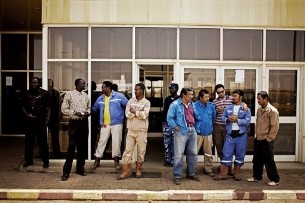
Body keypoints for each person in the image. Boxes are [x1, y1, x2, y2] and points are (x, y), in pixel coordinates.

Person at [167, 87, 201, 185]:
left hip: (192, 130)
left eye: (192, 94)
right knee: (179, 155)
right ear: (183, 95)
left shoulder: (192, 104)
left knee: (193, 153)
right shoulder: (175, 104)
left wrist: (196, 128)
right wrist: (175, 127)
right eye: (189, 94)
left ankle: (191, 173)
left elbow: (197, 117)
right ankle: (177, 175)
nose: (191, 96)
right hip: (181, 131)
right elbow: (169, 117)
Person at [214, 89, 251, 181]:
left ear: (240, 97)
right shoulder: (228, 108)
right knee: (226, 153)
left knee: (240, 154)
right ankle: (223, 174)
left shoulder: (246, 109)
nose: (233, 98)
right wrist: (228, 119)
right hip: (230, 135)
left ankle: (236, 173)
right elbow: (223, 117)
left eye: (235, 96)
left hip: (241, 135)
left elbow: (247, 121)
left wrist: (238, 120)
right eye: (233, 96)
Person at [91, 81, 128, 171]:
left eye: (103, 87)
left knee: (116, 143)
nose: (102, 89)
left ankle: (116, 162)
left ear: (108, 88)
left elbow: (128, 105)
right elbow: (94, 109)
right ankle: (97, 161)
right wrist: (85, 113)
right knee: (101, 142)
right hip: (104, 124)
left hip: (117, 123)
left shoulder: (119, 96)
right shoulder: (101, 98)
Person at [117, 83, 150, 180]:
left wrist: (134, 112)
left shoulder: (146, 102)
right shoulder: (130, 101)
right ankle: (126, 171)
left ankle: (138, 169)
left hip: (141, 130)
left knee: (141, 151)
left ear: (142, 90)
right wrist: (138, 113)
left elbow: (145, 115)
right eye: (135, 90)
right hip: (131, 130)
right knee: (127, 151)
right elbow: (127, 114)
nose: (135, 91)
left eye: (137, 90)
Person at [247, 91, 280, 186]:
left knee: (269, 160)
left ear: (265, 99)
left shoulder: (272, 111)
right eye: (257, 99)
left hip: (266, 139)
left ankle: (275, 179)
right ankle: (257, 177)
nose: (258, 101)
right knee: (257, 159)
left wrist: (269, 139)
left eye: (259, 99)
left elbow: (274, 127)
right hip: (258, 138)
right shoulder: (259, 110)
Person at [60, 78, 90, 181]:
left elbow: (89, 107)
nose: (84, 85)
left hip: (84, 123)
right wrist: (74, 112)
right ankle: (66, 172)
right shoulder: (69, 94)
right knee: (71, 147)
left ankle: (80, 169)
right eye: (83, 84)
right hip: (74, 123)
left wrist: (88, 112)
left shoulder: (86, 95)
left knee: (82, 147)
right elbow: (63, 109)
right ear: (77, 84)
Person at [21, 77, 50, 168]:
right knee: (29, 142)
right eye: (33, 83)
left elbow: (49, 108)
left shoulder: (45, 93)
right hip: (29, 121)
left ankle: (45, 161)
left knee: (42, 142)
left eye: (36, 83)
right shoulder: (26, 93)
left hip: (40, 121)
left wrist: (47, 119)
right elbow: (22, 106)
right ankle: (29, 161)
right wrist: (27, 115)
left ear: (39, 83)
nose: (34, 84)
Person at [212, 84, 234, 174]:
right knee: (219, 146)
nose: (221, 94)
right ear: (216, 93)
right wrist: (216, 111)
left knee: (228, 146)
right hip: (217, 125)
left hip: (228, 125)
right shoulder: (214, 102)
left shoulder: (231, 99)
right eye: (218, 92)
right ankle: (223, 166)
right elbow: (212, 114)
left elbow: (239, 106)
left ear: (225, 90)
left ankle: (229, 167)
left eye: (222, 91)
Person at [194, 89, 216, 177]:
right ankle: (192, 170)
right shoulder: (194, 106)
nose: (208, 98)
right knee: (194, 153)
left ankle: (208, 169)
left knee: (208, 153)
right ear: (200, 97)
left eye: (208, 96)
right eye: (206, 97)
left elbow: (213, 118)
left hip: (208, 133)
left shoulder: (211, 106)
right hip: (197, 133)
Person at [162, 83, 179, 167]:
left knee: (175, 143)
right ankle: (168, 160)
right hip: (166, 124)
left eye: (173, 88)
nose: (171, 90)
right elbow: (164, 111)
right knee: (167, 143)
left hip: (176, 125)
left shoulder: (179, 99)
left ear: (177, 89)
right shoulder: (167, 99)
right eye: (170, 88)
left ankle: (174, 161)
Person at [47, 79, 62, 159]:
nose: (50, 86)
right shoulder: (44, 92)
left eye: (50, 84)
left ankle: (56, 153)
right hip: (46, 117)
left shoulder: (55, 93)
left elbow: (59, 105)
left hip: (54, 117)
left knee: (54, 136)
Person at [90, 81, 103, 159]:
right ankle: (90, 154)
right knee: (93, 138)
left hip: (94, 120)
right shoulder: (97, 95)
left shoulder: (97, 95)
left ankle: (90, 154)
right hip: (93, 119)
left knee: (92, 137)